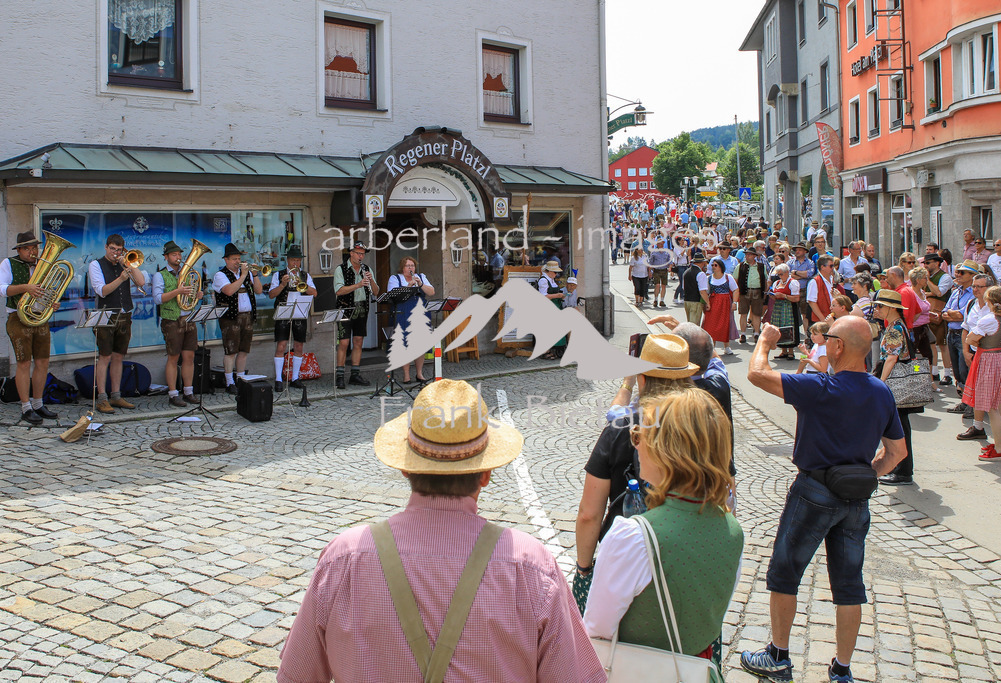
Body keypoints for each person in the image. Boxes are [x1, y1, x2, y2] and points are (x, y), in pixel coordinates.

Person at [277, 380, 606, 682]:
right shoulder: (530, 567)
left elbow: (296, 675)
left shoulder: (345, 558)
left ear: (405, 467)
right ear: (486, 473)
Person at [741, 317, 907, 683]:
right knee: (849, 584)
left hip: (813, 491)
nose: (826, 341)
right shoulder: (881, 391)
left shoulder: (820, 387)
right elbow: (897, 452)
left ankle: (779, 657)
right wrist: (864, 475)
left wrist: (766, 342)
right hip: (855, 498)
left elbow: (756, 375)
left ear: (838, 346)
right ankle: (842, 669)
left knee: (785, 573)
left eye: (829, 337)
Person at [583, 389, 743, 669]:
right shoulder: (732, 530)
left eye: (638, 436)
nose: (636, 445)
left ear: (666, 453)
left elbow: (596, 632)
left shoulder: (632, 538)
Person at [575, 335, 700, 609]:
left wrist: (584, 569)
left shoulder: (622, 428)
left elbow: (589, 513)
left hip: (627, 556)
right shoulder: (704, 425)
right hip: (689, 553)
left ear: (642, 380)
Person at [0, 232, 58, 424]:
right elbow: (1, 289)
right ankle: (25, 407)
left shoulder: (42, 265)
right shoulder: (8, 263)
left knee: (42, 362)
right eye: (28, 249)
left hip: (39, 316)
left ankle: (38, 403)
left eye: (34, 248)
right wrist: (26, 287)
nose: (32, 252)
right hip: (18, 316)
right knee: (23, 362)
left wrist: (52, 303)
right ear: (19, 250)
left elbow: (47, 290)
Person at [88, 234, 146, 412]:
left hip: (124, 315)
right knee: (104, 357)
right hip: (106, 315)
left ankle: (116, 395)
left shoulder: (125, 263)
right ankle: (102, 398)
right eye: (112, 249)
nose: (115, 253)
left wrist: (129, 264)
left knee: (119, 356)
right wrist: (121, 278)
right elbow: (102, 291)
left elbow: (141, 282)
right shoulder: (95, 265)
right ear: (106, 247)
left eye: (119, 250)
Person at [873, 289, 922, 486]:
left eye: (880, 306)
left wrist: (880, 383)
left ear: (891, 308)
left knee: (900, 428)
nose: (877, 309)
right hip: (898, 382)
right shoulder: (898, 325)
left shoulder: (895, 329)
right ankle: (899, 468)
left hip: (895, 382)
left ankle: (903, 471)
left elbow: (891, 358)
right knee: (901, 427)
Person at [961, 285, 1001, 461]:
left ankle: (999, 449)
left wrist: (981, 344)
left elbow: (971, 338)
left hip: (989, 360)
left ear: (989, 300)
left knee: (992, 407)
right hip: (1000, 357)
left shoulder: (989, 319)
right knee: (998, 404)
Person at [152, 241, 203, 408]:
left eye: (180, 254)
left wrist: (197, 294)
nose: (179, 257)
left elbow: (192, 294)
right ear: (166, 257)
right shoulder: (160, 275)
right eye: (174, 255)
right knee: (173, 357)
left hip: (188, 317)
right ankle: (173, 394)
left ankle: (188, 391)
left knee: (189, 357)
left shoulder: (187, 273)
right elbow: (158, 298)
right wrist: (178, 292)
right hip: (171, 319)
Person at [212, 243, 265, 394]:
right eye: (234, 259)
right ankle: (229, 382)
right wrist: (243, 275)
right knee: (231, 351)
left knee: (243, 350)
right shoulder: (220, 275)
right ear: (226, 260)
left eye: (239, 259)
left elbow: (259, 290)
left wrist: (254, 275)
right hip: (230, 317)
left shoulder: (247, 274)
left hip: (247, 316)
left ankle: (241, 380)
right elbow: (229, 291)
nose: (238, 262)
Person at [268, 245, 318, 392]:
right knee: (281, 345)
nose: (296, 263)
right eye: (293, 260)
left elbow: (314, 293)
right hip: (283, 312)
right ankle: (278, 379)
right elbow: (271, 295)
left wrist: (301, 285)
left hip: (299, 312)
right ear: (288, 260)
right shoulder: (278, 275)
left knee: (299, 346)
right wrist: (283, 284)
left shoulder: (305, 275)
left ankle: (295, 378)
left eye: (298, 260)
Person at [333, 242, 379, 389]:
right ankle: (339, 376)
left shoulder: (367, 269)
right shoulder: (340, 269)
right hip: (345, 309)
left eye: (363, 253)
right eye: (358, 253)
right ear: (351, 253)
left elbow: (376, 292)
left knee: (358, 341)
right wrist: (358, 285)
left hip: (362, 308)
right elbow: (339, 291)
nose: (361, 256)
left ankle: (355, 374)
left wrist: (370, 280)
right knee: (344, 343)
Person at [386, 256, 435, 383]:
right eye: (408, 266)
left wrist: (420, 284)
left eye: (412, 265)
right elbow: (393, 296)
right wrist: (409, 286)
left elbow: (431, 292)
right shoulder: (395, 279)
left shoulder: (421, 277)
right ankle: (406, 375)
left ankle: (419, 373)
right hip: (402, 313)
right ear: (402, 268)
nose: (410, 268)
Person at [943, 261, 978, 416]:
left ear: (972, 276)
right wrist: (953, 314)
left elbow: (964, 315)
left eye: (962, 273)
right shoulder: (956, 291)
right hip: (952, 334)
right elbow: (944, 313)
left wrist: (952, 314)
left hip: (964, 335)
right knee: (957, 371)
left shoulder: (973, 293)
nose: (958, 275)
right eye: (957, 272)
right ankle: (965, 401)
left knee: (966, 370)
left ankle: (972, 404)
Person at [924, 253, 954, 386]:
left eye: (928, 263)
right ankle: (934, 372)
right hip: (928, 313)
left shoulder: (945, 277)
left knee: (943, 345)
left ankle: (947, 374)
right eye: (925, 263)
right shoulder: (929, 276)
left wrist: (928, 281)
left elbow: (939, 292)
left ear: (937, 263)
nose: (926, 265)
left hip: (940, 313)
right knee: (931, 345)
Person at [702, 258, 739, 355]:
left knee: (725, 324)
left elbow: (735, 289)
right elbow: (706, 292)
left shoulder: (728, 277)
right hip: (713, 302)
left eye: (715, 265)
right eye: (712, 265)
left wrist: (734, 302)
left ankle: (727, 346)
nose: (713, 267)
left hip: (725, 302)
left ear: (720, 267)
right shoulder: (709, 278)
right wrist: (707, 303)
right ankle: (712, 347)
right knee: (711, 324)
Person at [769, 263, 801, 360]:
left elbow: (796, 298)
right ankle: (783, 350)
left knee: (788, 326)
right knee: (779, 327)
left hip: (788, 307)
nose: (780, 276)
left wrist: (784, 296)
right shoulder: (777, 283)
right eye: (778, 274)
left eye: (781, 274)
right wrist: (772, 296)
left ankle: (791, 351)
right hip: (778, 307)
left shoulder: (793, 282)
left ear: (787, 272)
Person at [736, 247, 768, 344]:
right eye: (746, 254)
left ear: (754, 256)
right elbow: (735, 280)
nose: (747, 256)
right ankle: (743, 333)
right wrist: (737, 292)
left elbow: (765, 280)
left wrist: (765, 292)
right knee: (743, 313)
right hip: (744, 292)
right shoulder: (740, 266)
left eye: (749, 254)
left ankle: (756, 333)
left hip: (757, 291)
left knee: (757, 314)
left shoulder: (761, 266)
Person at [538, 260, 567, 360]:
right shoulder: (543, 280)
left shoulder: (551, 279)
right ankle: (545, 351)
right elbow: (543, 296)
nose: (556, 274)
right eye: (555, 272)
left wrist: (561, 296)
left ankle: (553, 350)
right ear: (549, 271)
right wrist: (558, 295)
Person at [806, 256, 837, 325]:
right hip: (820, 321)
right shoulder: (814, 282)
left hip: (833, 317)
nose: (833, 268)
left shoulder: (833, 280)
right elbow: (812, 302)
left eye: (833, 266)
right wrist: (823, 320)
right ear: (822, 267)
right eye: (831, 266)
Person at [682, 252, 710, 326]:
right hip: (696, 301)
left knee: (689, 323)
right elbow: (702, 291)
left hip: (687, 300)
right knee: (694, 326)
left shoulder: (686, 272)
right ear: (702, 263)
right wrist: (707, 302)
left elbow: (683, 287)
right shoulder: (700, 274)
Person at [646, 236, 672, 307]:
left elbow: (670, 261)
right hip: (656, 270)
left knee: (663, 286)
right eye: (660, 244)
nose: (661, 245)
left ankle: (662, 300)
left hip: (664, 270)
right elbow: (650, 263)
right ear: (657, 244)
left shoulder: (666, 252)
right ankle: (656, 299)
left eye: (662, 244)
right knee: (657, 285)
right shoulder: (654, 253)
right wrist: (649, 272)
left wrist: (670, 267)